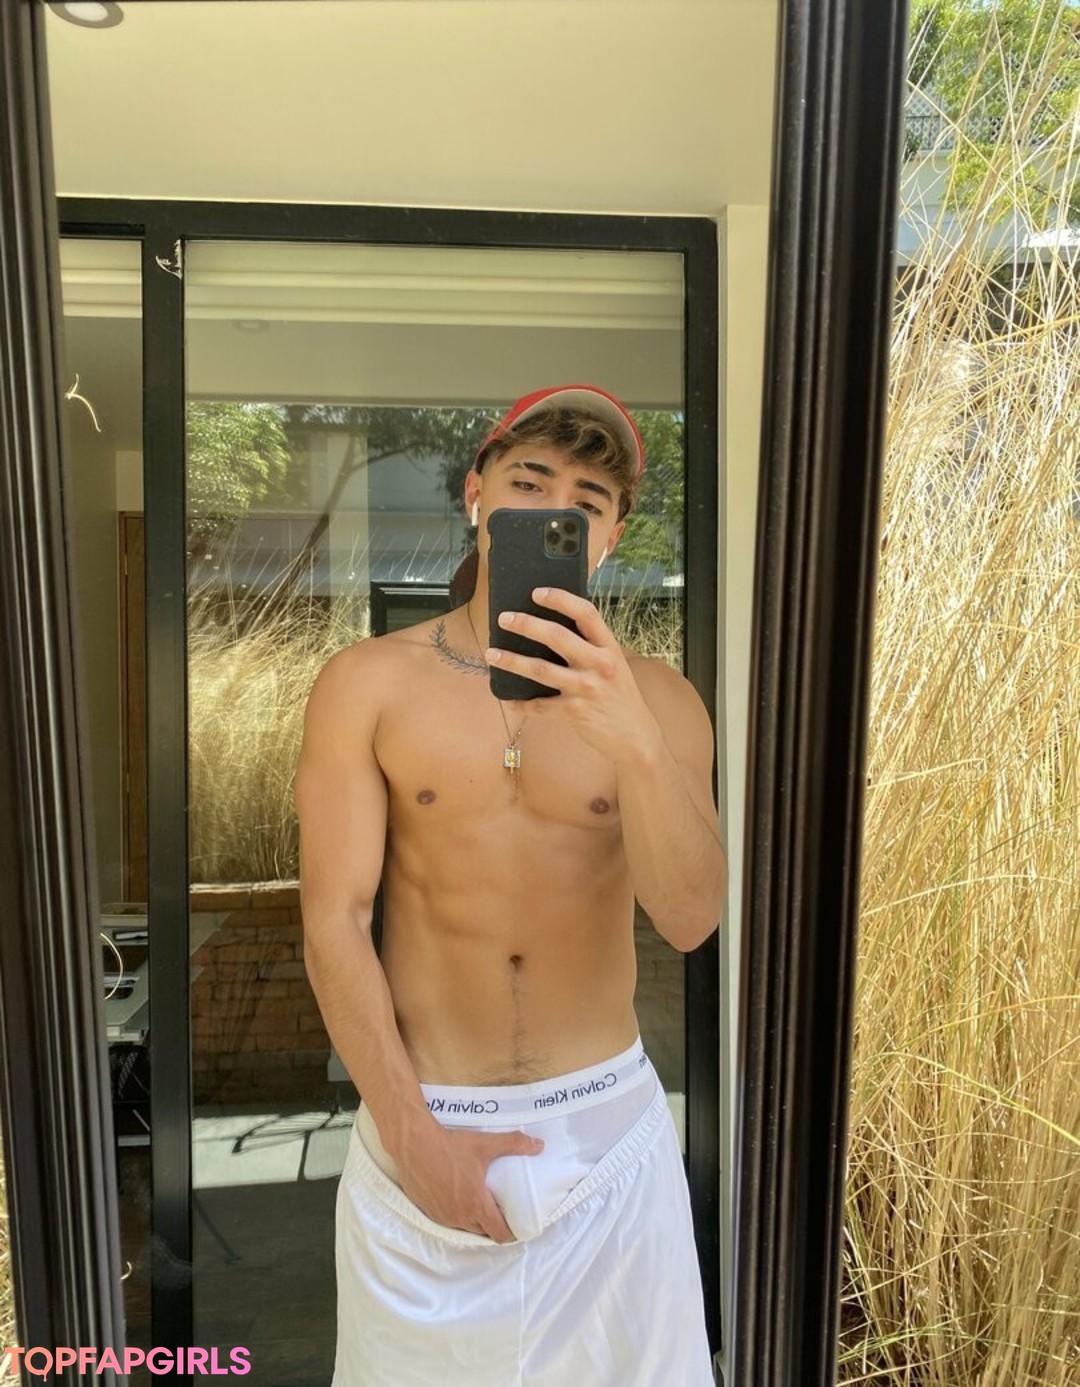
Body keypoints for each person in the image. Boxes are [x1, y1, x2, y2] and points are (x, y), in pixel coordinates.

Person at [295, 384, 726, 1387]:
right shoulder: (367, 683)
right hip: (423, 1125)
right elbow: (334, 923)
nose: (554, 509)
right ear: (476, 497)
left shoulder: (660, 699)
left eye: (587, 500)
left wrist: (632, 739)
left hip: (607, 1138)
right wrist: (413, 1137)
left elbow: (691, 916)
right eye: (529, 483)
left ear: (610, 537)